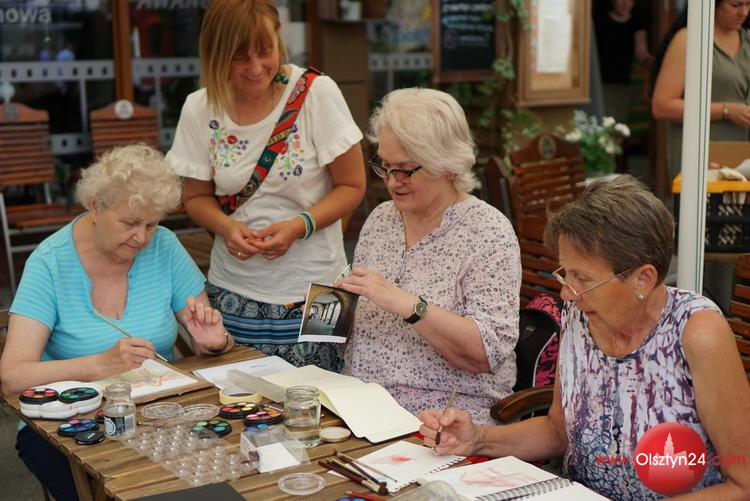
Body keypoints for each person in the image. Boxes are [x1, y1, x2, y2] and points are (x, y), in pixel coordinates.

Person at [420, 175, 750, 499]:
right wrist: (478, 439)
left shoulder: (696, 332)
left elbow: (743, 483)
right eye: (566, 273)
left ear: (643, 279)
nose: (566, 293)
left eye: (582, 278)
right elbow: (558, 431)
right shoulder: (582, 313)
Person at [0, 144, 233, 501]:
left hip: (157, 412)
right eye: (129, 223)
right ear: (95, 207)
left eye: (152, 224)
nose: (142, 237)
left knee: (219, 471)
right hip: (65, 421)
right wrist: (100, 365)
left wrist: (215, 342)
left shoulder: (164, 247)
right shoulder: (49, 263)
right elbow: (12, 376)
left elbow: (208, 336)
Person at [166, 0, 366, 372]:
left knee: (327, 394)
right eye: (240, 57)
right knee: (240, 397)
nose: (256, 67)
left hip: (324, 289)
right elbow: (195, 197)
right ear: (216, 54)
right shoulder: (200, 107)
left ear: (279, 40)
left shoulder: (317, 93)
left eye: (265, 51)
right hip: (233, 289)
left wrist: (299, 225)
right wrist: (227, 228)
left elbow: (352, 185)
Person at [335, 88, 521, 426]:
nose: (392, 182)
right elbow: (357, 333)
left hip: (447, 418)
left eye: (406, 170)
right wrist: (330, 308)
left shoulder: (487, 232)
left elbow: (485, 354)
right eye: (385, 166)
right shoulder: (381, 219)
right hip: (360, 404)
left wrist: (407, 304)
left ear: (447, 166)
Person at [652, 0, 750, 182]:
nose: (743, 12)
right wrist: (726, 110)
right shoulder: (689, 40)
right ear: (714, 5)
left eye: (748, 4)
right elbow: (662, 106)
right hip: (701, 159)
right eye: (735, 5)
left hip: (743, 163)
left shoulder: (747, 39)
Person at [593, 0, 653, 125]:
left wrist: (646, 58)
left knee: (619, 125)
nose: (625, 3)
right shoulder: (599, 19)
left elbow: (640, 48)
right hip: (601, 82)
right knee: (601, 123)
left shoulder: (637, 21)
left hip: (624, 83)